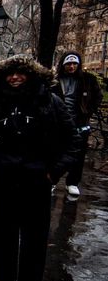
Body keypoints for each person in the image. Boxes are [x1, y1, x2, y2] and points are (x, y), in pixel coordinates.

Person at [0, 55, 80, 281]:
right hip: (2, 179)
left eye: (20, 73)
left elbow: (73, 140)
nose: (14, 78)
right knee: (0, 231)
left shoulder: (50, 102)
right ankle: (1, 278)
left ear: (32, 75)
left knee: (34, 237)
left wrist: (54, 172)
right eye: (9, 74)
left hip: (36, 180)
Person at [53, 51, 103, 197]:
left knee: (78, 154)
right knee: (55, 152)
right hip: (58, 122)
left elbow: (97, 97)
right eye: (68, 64)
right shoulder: (55, 80)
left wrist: (88, 111)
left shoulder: (88, 79)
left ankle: (72, 182)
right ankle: (53, 180)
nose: (72, 67)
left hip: (79, 122)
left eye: (75, 64)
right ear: (63, 65)